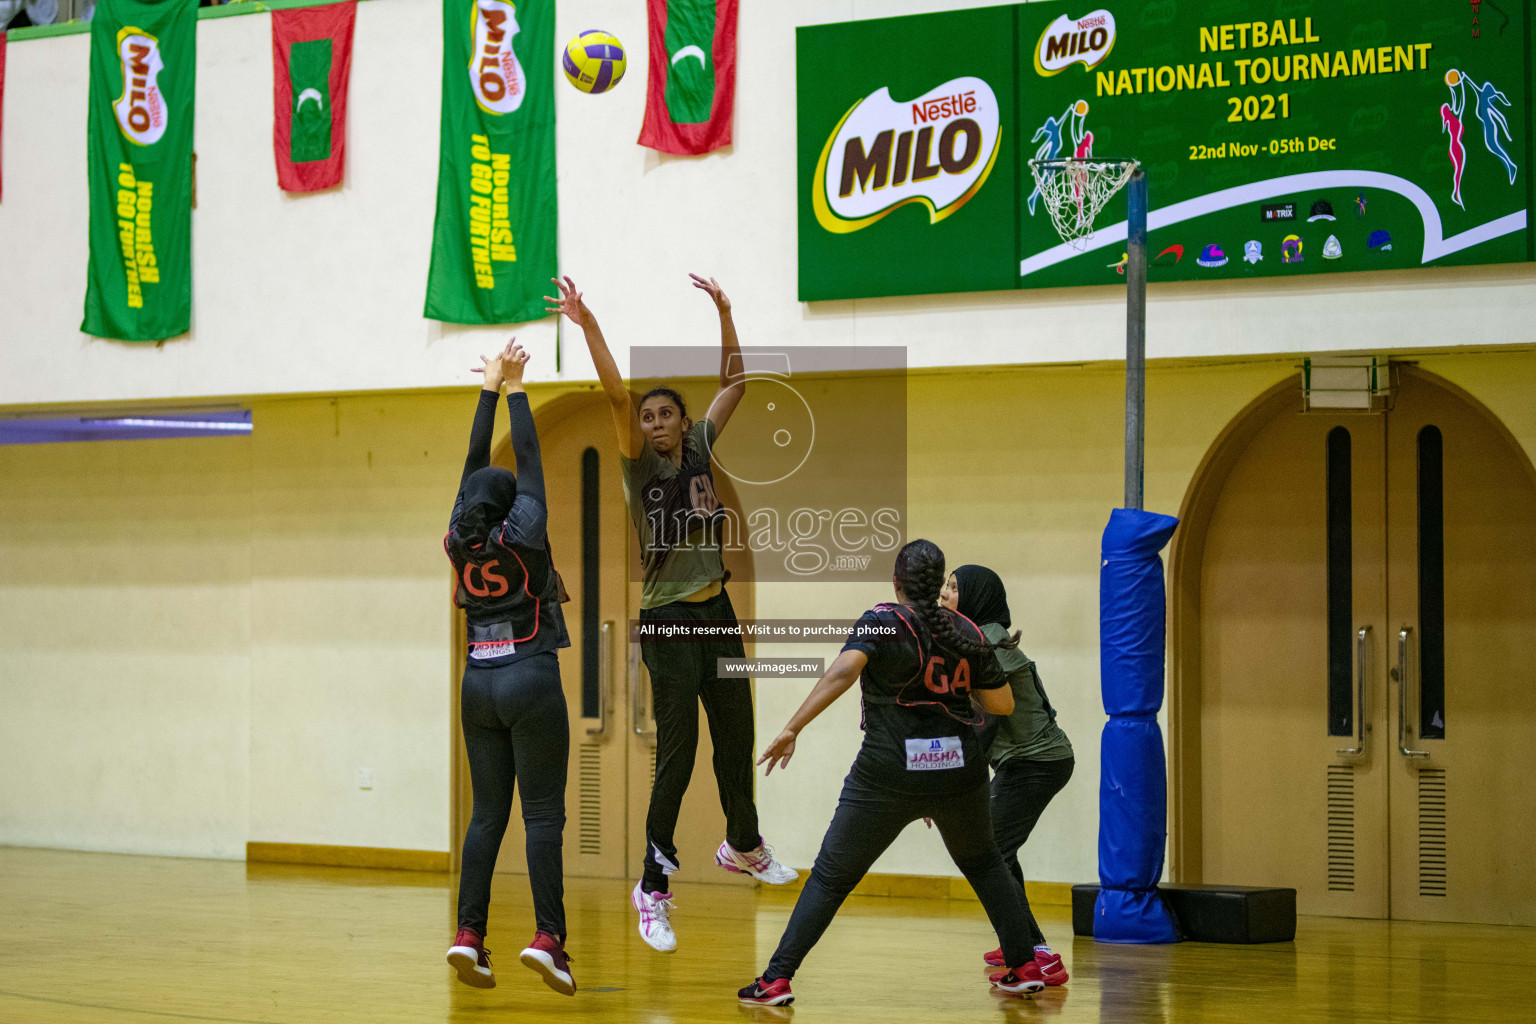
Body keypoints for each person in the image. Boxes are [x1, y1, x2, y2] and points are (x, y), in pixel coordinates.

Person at [545, 274, 796, 955]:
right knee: (678, 757)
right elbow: (613, 391)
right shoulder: (639, 469)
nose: (654, 423)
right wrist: (587, 320)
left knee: (735, 739)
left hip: (715, 611)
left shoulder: (702, 450)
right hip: (665, 623)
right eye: (647, 417)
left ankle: (741, 843)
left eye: (665, 416)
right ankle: (652, 888)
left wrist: (726, 310)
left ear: (685, 424)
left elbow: (738, 385)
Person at [738, 540, 1049, 1007]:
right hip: (957, 768)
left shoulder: (884, 621)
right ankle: (1025, 966)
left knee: (830, 877)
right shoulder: (966, 630)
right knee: (986, 865)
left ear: (897, 581)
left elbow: (844, 672)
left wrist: (792, 726)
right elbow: (1001, 704)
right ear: (938, 581)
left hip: (888, 772)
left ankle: (776, 980)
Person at [443, 339, 576, 995]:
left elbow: (475, 468)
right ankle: (548, 937)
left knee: (486, 815)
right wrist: (518, 388)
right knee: (542, 817)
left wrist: (488, 388)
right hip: (530, 675)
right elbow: (527, 461)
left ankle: (469, 934)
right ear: (512, 503)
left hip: (477, 684)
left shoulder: (456, 538)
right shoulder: (523, 532)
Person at [941, 564, 1073, 985]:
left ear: (976, 597)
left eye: (954, 587)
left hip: (1035, 763)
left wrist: (947, 781)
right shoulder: (981, 636)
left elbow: (987, 723)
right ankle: (1015, 939)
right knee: (1000, 849)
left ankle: (1037, 955)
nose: (944, 592)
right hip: (1028, 761)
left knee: (990, 850)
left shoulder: (987, 644)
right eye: (944, 584)